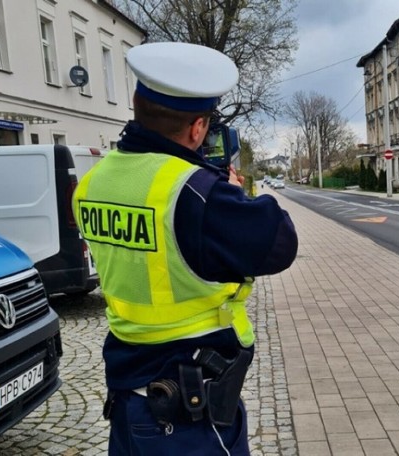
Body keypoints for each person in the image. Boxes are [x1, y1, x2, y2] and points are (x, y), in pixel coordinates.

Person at [72, 42, 298, 455]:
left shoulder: (93, 182)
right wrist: (232, 190)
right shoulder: (195, 193)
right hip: (189, 418)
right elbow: (280, 240)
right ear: (197, 129)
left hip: (128, 402)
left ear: (138, 107)